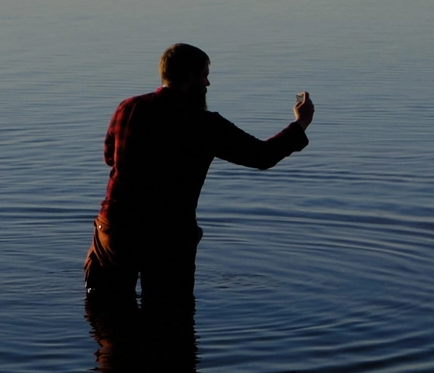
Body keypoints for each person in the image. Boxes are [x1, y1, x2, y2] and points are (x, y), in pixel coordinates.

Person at [85, 41, 314, 308]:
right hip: (168, 236)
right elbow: (262, 156)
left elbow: (109, 157)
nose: (208, 84)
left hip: (116, 229)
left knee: (106, 313)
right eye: (205, 75)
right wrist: (301, 122)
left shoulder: (128, 108)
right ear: (191, 78)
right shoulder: (204, 124)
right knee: (170, 319)